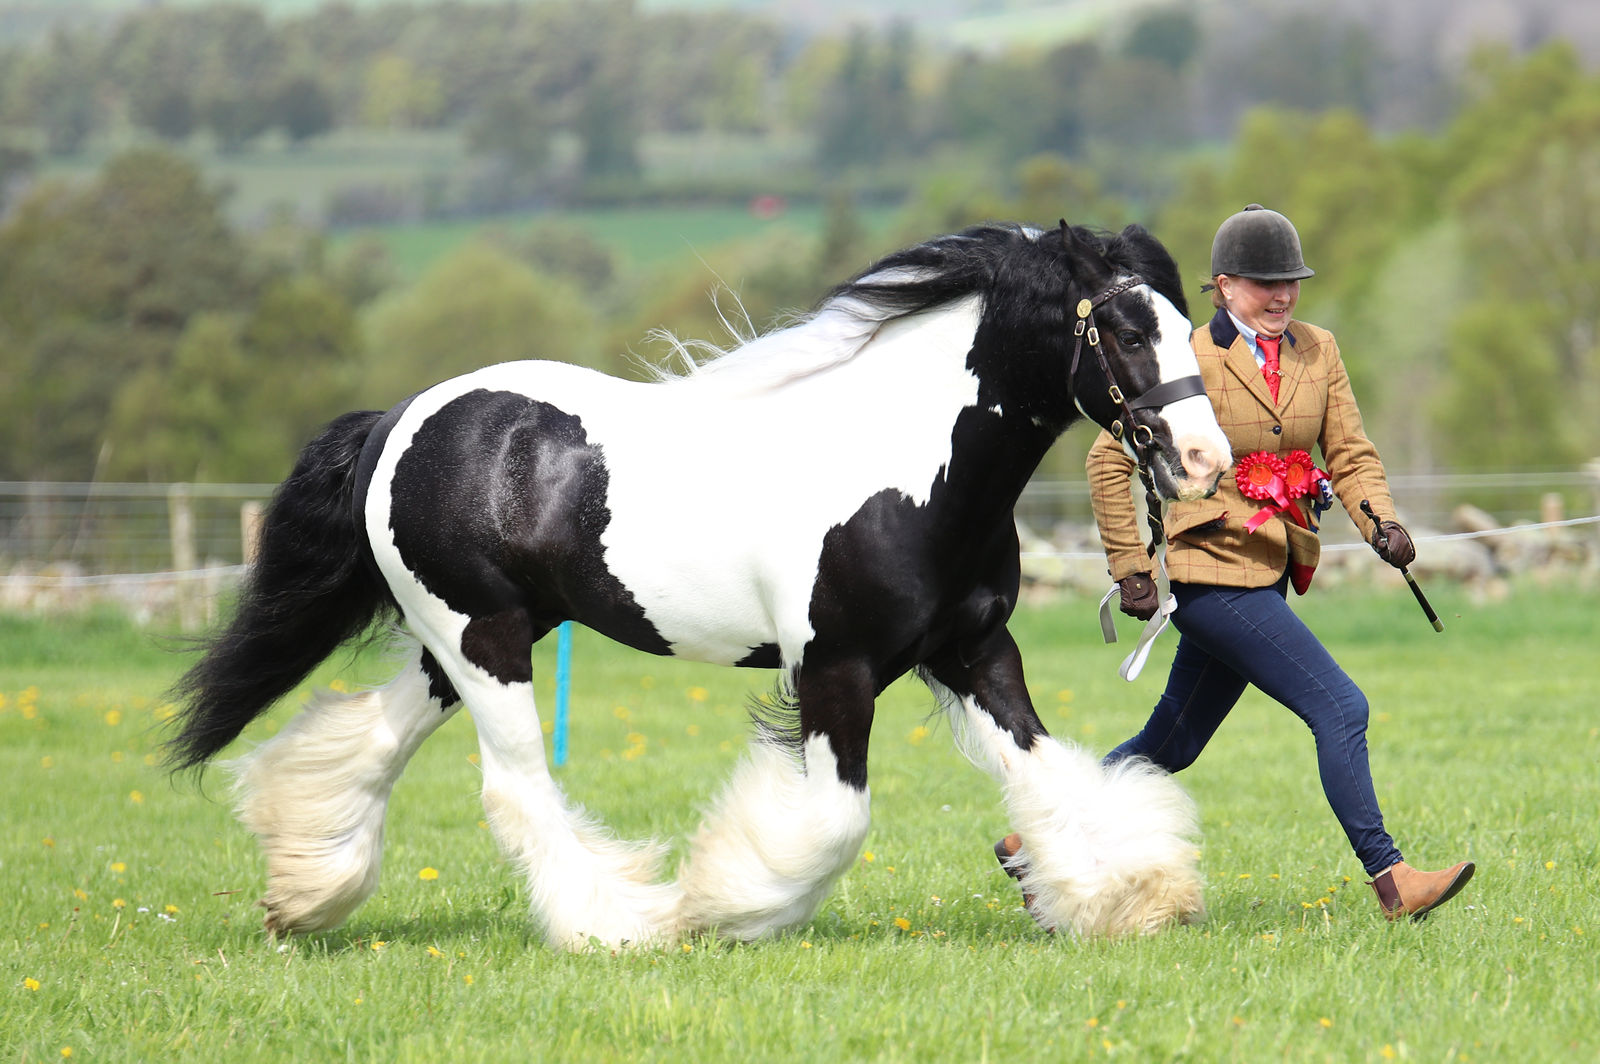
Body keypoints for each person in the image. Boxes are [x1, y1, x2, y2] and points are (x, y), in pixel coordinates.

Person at [998, 205, 1473, 924]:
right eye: (1263, 283)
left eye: (1291, 282)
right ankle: (1392, 879)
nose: (1282, 295)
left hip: (1272, 570)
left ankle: (1029, 844)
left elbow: (1349, 453)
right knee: (1341, 707)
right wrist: (1130, 564)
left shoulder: (1321, 352)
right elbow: (1105, 458)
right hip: (1209, 575)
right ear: (1223, 285)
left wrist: (1383, 521)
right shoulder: (1188, 355)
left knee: (1174, 742)